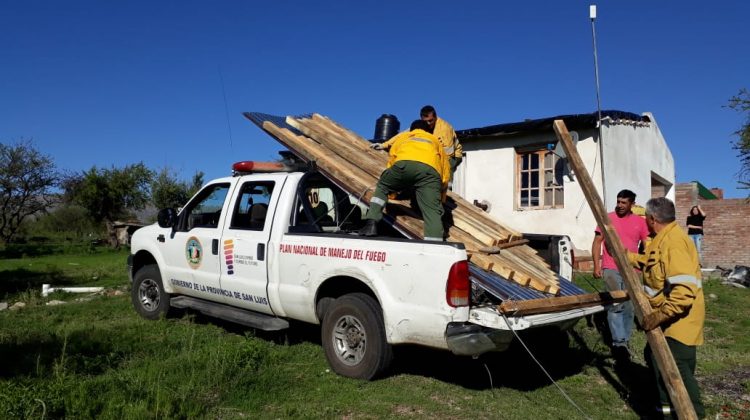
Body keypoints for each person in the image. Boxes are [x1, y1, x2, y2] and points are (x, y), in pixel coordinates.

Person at [628, 197, 705, 418]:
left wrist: (659, 316)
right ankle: (665, 413)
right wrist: (627, 257)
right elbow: (653, 263)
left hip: (678, 324)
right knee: (656, 361)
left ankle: (692, 415)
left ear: (652, 219)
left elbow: (683, 293)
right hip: (669, 321)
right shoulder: (665, 238)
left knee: (676, 374)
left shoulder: (674, 242)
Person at [360, 119, 450, 241]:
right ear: (429, 130)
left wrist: (392, 190)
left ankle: (371, 223)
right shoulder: (435, 140)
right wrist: (440, 197)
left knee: (383, 186)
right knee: (432, 211)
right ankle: (435, 243)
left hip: (403, 165)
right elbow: (445, 170)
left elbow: (393, 158)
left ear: (412, 129)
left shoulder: (404, 136)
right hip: (430, 172)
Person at [591, 189, 650, 362]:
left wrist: (645, 264)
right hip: (611, 267)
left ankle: (625, 340)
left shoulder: (640, 222)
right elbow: (597, 242)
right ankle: (619, 344)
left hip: (633, 270)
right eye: (618, 201)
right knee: (616, 305)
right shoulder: (607, 218)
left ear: (632, 204)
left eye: (624, 203)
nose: (620, 205)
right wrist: (597, 265)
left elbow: (647, 245)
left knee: (630, 307)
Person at [372, 105, 463, 182]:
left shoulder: (444, 129)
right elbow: (404, 134)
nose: (428, 124)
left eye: (430, 121)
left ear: (435, 117)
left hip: (452, 156)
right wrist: (384, 145)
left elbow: (447, 154)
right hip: (436, 151)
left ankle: (446, 192)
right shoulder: (421, 125)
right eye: (425, 121)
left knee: (444, 171)